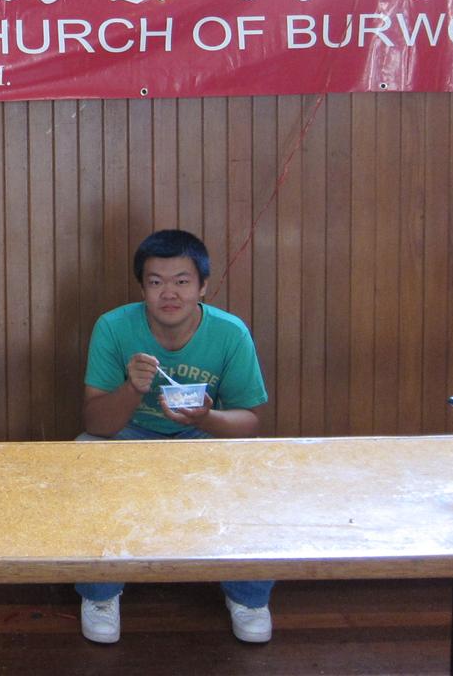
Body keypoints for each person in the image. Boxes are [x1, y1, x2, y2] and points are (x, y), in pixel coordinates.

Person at [75, 229, 273, 646]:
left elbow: (250, 422)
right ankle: (100, 594)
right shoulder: (113, 327)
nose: (169, 293)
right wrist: (132, 388)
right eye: (156, 282)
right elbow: (96, 423)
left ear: (202, 287)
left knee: (256, 466)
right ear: (142, 289)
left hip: (201, 432)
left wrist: (206, 418)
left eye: (182, 281)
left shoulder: (230, 332)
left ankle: (250, 597)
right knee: (85, 456)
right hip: (129, 434)